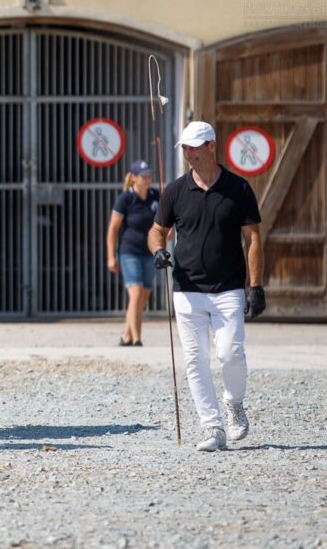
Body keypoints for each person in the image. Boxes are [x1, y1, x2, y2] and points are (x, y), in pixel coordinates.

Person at [147, 121, 266, 453]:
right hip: (186, 289)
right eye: (184, 148)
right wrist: (158, 250)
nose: (188, 154)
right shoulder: (174, 191)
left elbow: (253, 237)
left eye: (194, 147)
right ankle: (212, 427)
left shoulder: (238, 189)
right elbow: (157, 230)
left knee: (230, 353)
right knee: (195, 360)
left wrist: (255, 286)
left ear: (212, 145)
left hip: (228, 287)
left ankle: (234, 404)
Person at [106, 159, 160, 347]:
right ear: (134, 177)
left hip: (150, 252)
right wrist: (111, 256)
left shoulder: (155, 196)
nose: (148, 179)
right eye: (144, 176)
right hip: (129, 251)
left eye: (149, 175)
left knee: (144, 295)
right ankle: (137, 338)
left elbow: (163, 222)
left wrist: (167, 233)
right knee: (136, 293)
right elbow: (113, 229)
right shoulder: (125, 199)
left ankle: (126, 336)